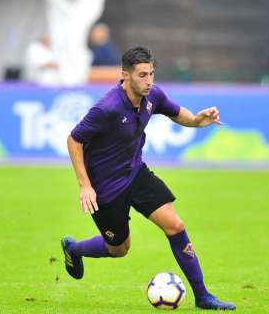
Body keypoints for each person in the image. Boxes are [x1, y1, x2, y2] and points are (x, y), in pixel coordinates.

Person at [61, 46, 236, 310]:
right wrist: (85, 186)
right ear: (125, 75)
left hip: (136, 173)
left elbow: (178, 113)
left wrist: (198, 120)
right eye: (142, 75)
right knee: (119, 249)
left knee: (175, 226)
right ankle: (75, 249)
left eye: (151, 73)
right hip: (106, 188)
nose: (149, 80)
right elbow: (74, 139)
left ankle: (202, 296)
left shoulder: (153, 95)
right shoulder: (107, 108)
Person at [43, 0, 107, 86]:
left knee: (72, 44)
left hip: (77, 77)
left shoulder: (89, 8)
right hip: (58, 79)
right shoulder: (59, 12)